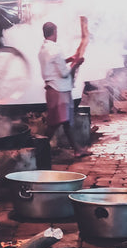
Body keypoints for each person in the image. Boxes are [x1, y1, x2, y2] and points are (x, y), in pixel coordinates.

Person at [38, 17, 90, 158]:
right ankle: (38, 149)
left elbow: (53, 64)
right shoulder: (55, 49)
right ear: (54, 32)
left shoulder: (43, 49)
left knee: (65, 122)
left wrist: (69, 59)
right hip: (59, 90)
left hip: (53, 89)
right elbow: (65, 73)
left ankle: (78, 149)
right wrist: (77, 63)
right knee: (55, 123)